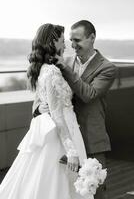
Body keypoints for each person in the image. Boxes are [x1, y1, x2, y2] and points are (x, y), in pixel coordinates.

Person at [0, 23, 87, 199]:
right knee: (58, 181)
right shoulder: (52, 72)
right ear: (53, 43)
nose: (66, 44)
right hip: (61, 132)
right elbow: (57, 114)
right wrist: (71, 151)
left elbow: (48, 100)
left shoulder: (44, 69)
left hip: (66, 127)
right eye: (63, 41)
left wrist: (40, 106)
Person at [35, 20, 117, 199]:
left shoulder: (107, 68)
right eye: (70, 40)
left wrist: (64, 67)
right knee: (65, 191)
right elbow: (44, 90)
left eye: (77, 40)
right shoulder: (61, 62)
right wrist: (39, 108)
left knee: (95, 191)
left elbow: (88, 94)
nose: (72, 45)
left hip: (91, 139)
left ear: (92, 38)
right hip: (63, 140)